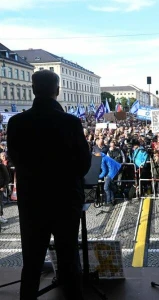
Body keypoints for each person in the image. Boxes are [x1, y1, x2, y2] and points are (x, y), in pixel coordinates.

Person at [7, 70, 91, 300]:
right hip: (65, 200)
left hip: (32, 201)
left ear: (33, 89)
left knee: (32, 262)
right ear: (57, 91)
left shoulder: (16, 123)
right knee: (69, 260)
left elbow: (14, 159)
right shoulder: (71, 122)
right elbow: (83, 164)